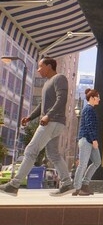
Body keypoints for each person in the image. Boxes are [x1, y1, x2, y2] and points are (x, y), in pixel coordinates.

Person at [0, 57, 75, 196]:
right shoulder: (47, 83)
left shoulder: (59, 78)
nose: (38, 70)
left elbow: (62, 99)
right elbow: (42, 105)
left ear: (49, 66)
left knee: (31, 151)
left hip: (52, 122)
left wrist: (49, 116)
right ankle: (67, 184)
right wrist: (30, 117)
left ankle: (14, 185)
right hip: (53, 122)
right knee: (53, 154)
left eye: (40, 66)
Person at [72, 88, 102, 196]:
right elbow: (89, 126)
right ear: (92, 98)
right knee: (83, 164)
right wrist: (94, 140)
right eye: (98, 97)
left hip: (90, 140)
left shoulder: (91, 109)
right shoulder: (88, 109)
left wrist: (93, 140)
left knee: (97, 161)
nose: (99, 99)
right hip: (86, 140)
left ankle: (85, 184)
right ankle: (77, 188)